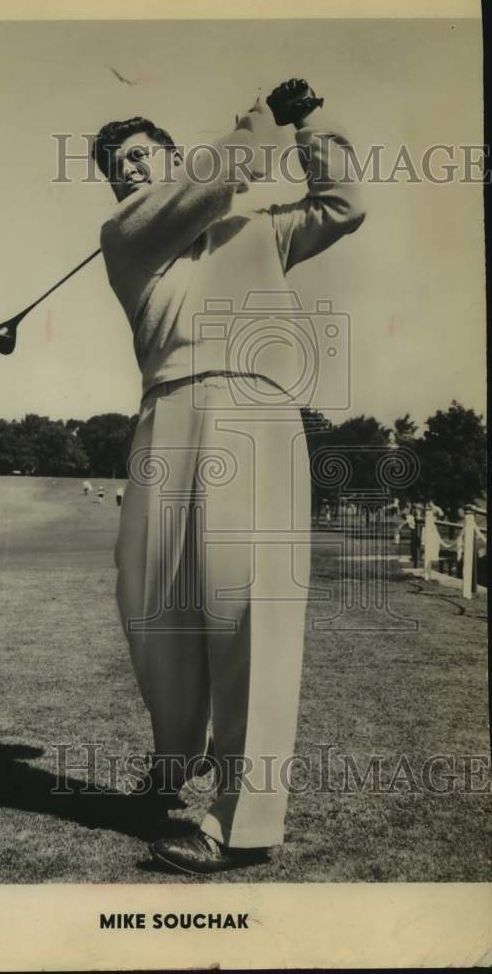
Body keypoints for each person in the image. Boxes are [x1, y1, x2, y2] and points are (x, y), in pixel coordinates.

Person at [93, 79, 365, 874]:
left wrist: (309, 121)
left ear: (172, 158)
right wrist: (261, 124)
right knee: (149, 603)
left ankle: (239, 821)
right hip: (166, 414)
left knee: (249, 606)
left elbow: (342, 203)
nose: (128, 172)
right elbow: (224, 170)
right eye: (117, 166)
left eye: (141, 157)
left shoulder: (257, 230)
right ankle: (177, 760)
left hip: (254, 409)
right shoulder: (126, 233)